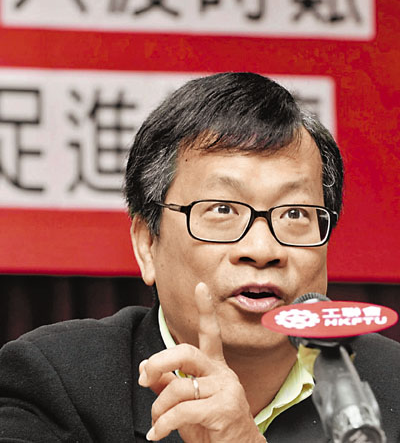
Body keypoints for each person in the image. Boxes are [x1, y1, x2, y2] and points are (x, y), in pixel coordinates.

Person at [0, 72, 399, 443]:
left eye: (295, 214)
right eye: (223, 210)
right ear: (147, 244)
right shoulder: (56, 384)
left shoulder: (393, 384)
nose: (262, 251)